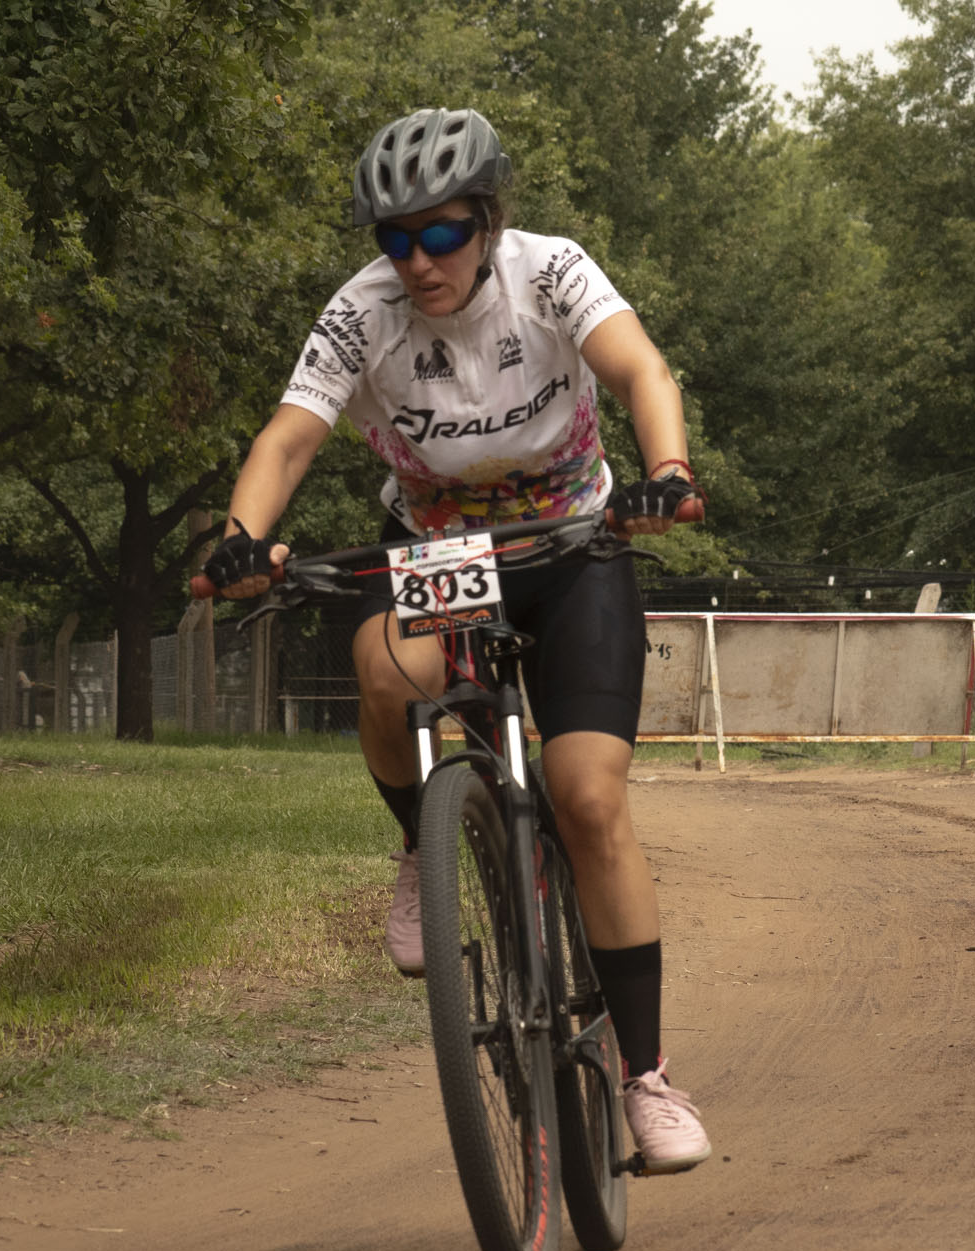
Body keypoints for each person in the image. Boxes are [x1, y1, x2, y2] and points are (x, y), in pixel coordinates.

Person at [203, 107, 711, 1174]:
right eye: (396, 239)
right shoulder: (362, 312)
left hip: (571, 543)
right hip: (441, 552)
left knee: (587, 799)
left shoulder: (550, 272)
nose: (419, 261)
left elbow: (639, 371)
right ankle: (419, 846)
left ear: (487, 221)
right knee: (387, 670)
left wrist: (665, 472)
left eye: (441, 234)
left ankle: (646, 1080)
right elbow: (288, 437)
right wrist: (241, 537)